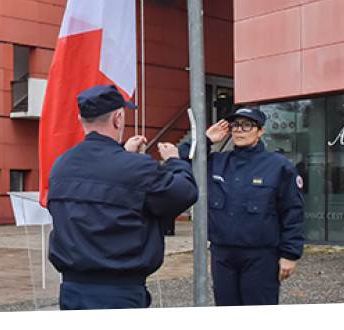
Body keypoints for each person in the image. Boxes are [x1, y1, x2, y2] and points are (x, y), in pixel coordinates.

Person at [48, 84, 196, 310]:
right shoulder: (136, 168)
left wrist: (124, 154)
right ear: (118, 118)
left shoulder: (61, 165)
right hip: (120, 291)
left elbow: (98, 182)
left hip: (72, 289)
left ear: (81, 119)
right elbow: (184, 193)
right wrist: (175, 161)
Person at [180, 108, 305, 306]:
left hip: (261, 256)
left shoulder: (278, 166)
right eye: (235, 125)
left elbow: (292, 212)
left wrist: (289, 254)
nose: (239, 130)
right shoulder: (217, 162)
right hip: (223, 255)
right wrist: (206, 139)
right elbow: (181, 160)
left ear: (261, 131)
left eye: (247, 125)